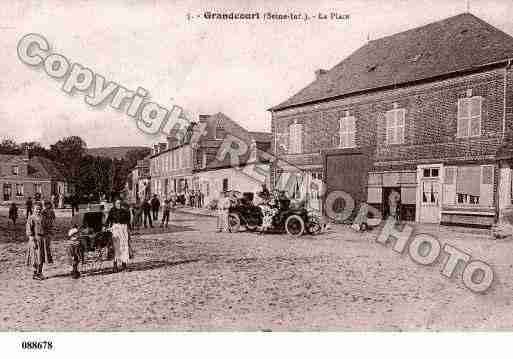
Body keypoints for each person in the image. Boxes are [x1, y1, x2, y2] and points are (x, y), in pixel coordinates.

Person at [105, 199, 131, 272]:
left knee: (124, 247)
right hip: (116, 229)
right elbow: (108, 220)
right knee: (116, 247)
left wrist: (129, 231)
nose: (118, 204)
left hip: (123, 229)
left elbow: (128, 221)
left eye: (119, 203)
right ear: (114, 204)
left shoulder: (125, 211)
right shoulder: (112, 211)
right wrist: (106, 227)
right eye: (117, 203)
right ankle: (115, 266)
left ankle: (124, 265)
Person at [26, 203, 46, 280]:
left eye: (40, 209)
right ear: (33, 209)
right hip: (35, 239)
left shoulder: (43, 218)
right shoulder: (31, 218)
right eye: (36, 209)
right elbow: (29, 230)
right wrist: (32, 239)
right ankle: (35, 273)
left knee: (41, 257)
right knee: (35, 257)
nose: (38, 210)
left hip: (41, 239)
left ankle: (40, 272)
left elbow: (46, 227)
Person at [40, 200, 55, 265]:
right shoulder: (43, 211)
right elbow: (42, 220)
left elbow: (53, 218)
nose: (46, 206)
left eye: (48, 204)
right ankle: (46, 258)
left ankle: (49, 258)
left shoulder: (51, 211)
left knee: (48, 244)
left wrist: (52, 226)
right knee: (45, 244)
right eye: (45, 205)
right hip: (44, 228)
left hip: (49, 228)